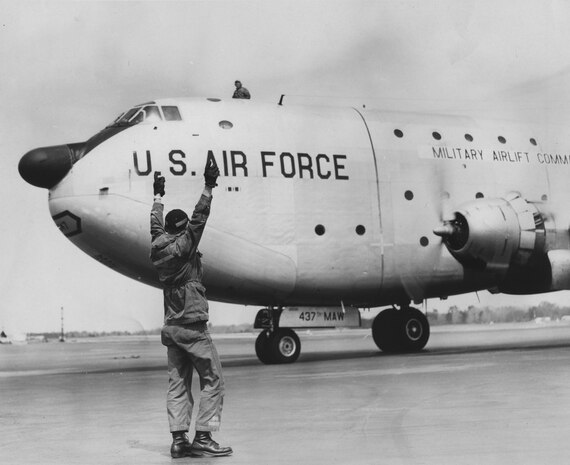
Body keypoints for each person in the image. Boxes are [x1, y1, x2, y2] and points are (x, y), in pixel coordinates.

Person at [150, 161, 232, 459]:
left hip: (171, 329)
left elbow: (154, 223)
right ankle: (205, 437)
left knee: (178, 384)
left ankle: (178, 440)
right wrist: (209, 186)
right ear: (183, 230)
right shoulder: (185, 245)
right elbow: (200, 218)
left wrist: (158, 196)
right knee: (213, 380)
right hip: (193, 327)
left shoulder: (158, 246)